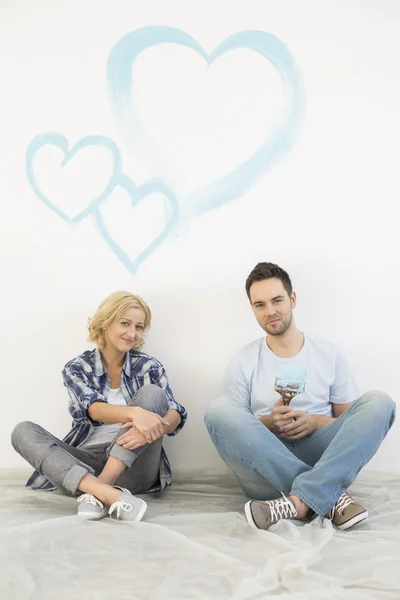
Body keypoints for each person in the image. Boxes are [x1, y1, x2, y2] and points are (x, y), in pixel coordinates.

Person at [204, 262, 396, 532]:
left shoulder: (329, 355)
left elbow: (351, 424)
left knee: (380, 402)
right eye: (259, 305)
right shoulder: (243, 360)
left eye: (277, 300)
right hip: (264, 468)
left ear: (292, 299)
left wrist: (315, 423)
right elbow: (234, 431)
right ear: (252, 309)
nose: (270, 311)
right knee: (219, 409)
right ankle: (325, 496)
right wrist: (269, 423)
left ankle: (297, 503)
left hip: (319, 457)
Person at [11, 291, 187, 521]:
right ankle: (106, 493)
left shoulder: (148, 366)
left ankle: (97, 491)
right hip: (83, 468)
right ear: (105, 322)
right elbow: (93, 409)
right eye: (125, 323)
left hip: (135, 466)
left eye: (139, 327)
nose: (132, 333)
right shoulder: (77, 368)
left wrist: (153, 429)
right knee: (22, 431)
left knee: (152, 393)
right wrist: (136, 413)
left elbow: (175, 411)